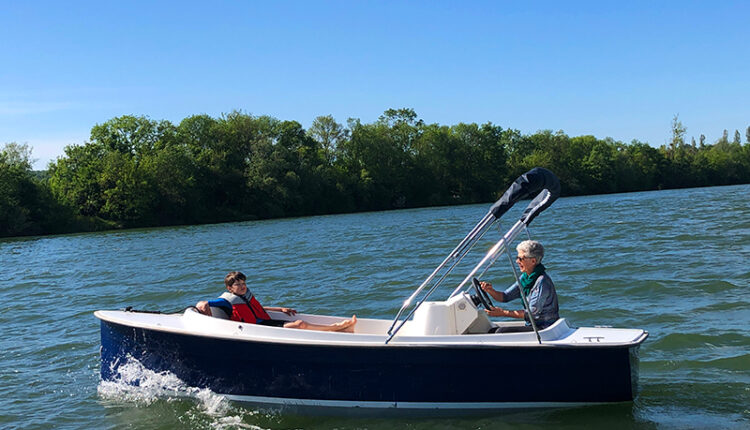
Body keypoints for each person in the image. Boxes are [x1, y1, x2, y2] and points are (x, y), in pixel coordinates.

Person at [196, 271, 356, 332]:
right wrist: (211, 324)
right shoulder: (225, 301)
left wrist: (280, 309)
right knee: (300, 324)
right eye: (238, 284)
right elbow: (202, 305)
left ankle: (337, 328)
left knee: (299, 322)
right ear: (230, 288)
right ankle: (336, 328)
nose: (243, 286)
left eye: (244, 283)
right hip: (255, 330)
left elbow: (254, 308)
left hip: (265, 323)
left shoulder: (244, 297)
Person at [480, 240, 559, 332]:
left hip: (545, 328)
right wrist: (490, 290)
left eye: (521, 258)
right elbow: (505, 297)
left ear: (533, 261)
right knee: (491, 330)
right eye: (517, 258)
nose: (517, 261)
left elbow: (531, 313)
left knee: (499, 332)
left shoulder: (542, 282)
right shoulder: (525, 278)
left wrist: (502, 313)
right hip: (531, 324)